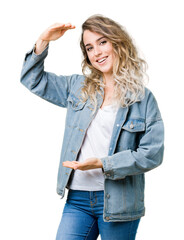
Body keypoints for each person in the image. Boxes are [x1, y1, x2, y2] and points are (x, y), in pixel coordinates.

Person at [20, 15, 164, 240]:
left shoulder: (143, 99)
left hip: (119, 204)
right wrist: (43, 41)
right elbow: (33, 79)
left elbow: (152, 154)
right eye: (89, 47)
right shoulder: (77, 88)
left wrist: (103, 164)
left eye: (102, 42)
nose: (97, 52)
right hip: (77, 200)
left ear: (118, 43)